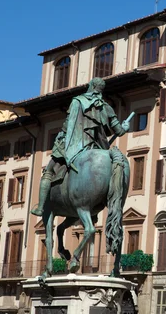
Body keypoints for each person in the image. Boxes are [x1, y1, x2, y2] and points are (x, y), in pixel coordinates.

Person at [30, 77, 128, 217]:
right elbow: (119, 131)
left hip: (76, 145)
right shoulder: (107, 107)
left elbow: (68, 125)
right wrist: (125, 126)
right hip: (99, 147)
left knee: (49, 171)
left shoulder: (77, 101)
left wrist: (61, 138)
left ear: (91, 86)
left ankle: (40, 207)